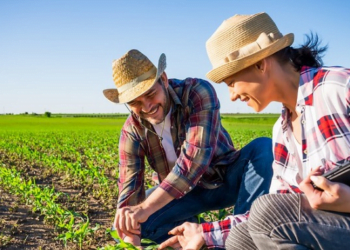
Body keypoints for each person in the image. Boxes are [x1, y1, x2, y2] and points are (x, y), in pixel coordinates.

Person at [159, 12, 350, 250]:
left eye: (232, 83)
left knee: (264, 212)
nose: (232, 95)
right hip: (327, 230)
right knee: (242, 237)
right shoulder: (282, 132)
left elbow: (270, 213)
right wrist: (205, 233)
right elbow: (278, 210)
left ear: (261, 63)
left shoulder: (340, 88)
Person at [102, 49, 273, 246]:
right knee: (121, 226)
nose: (147, 106)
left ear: (163, 80)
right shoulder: (133, 130)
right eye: (135, 102)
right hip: (180, 196)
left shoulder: (196, 92)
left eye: (150, 94)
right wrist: (130, 232)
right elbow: (129, 187)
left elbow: (194, 160)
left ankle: (241, 239)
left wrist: (145, 208)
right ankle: (192, 240)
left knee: (263, 148)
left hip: (223, 180)